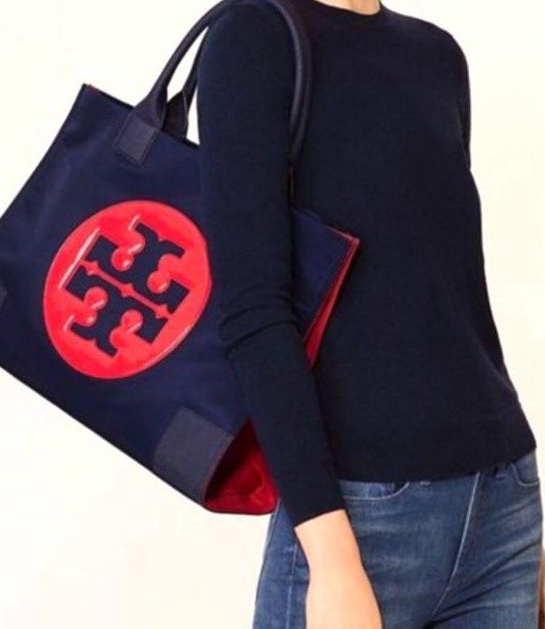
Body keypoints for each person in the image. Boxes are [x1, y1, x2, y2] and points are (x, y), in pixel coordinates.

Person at [195, 0, 543, 627]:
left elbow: (449, 290)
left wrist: (517, 514)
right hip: (361, 516)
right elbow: (253, 309)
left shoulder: (437, 54)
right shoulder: (254, 36)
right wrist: (331, 561)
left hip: (503, 506)